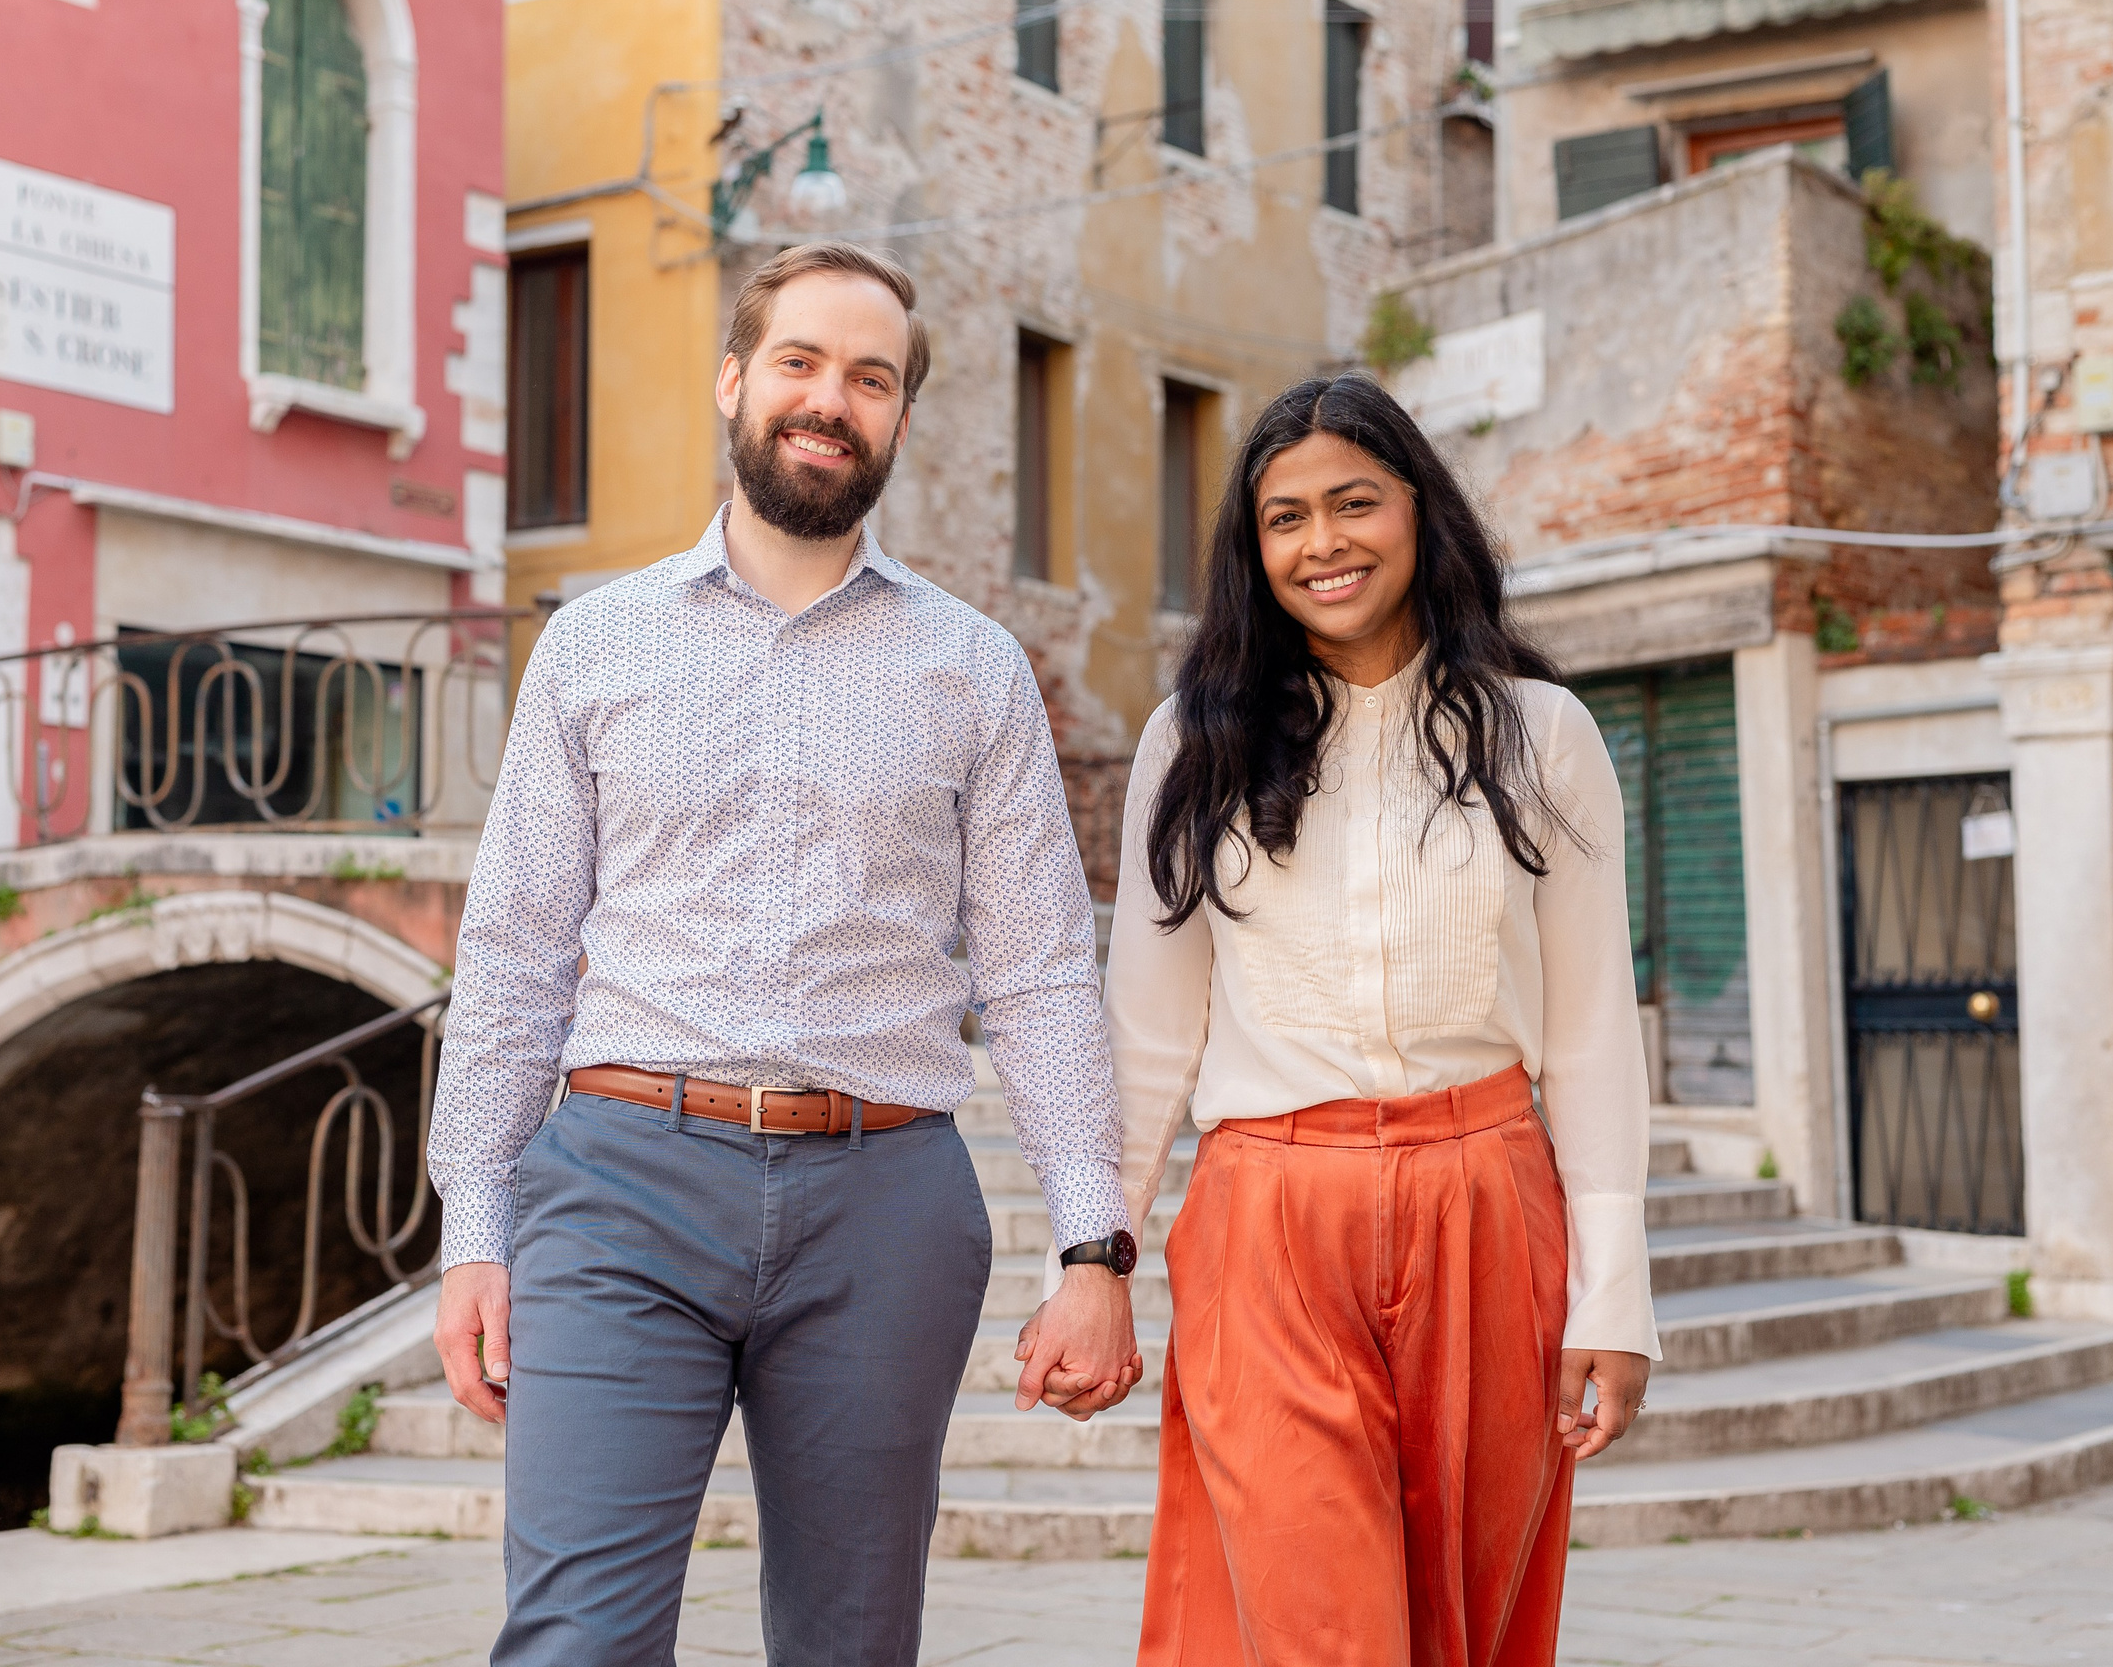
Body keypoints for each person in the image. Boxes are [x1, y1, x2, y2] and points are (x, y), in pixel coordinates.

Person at [427, 242, 1144, 1667]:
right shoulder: (593, 647)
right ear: (735, 382)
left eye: (871, 379)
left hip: (886, 1208)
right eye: (803, 363)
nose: (832, 400)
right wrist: (474, 1227)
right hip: (622, 1186)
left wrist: (1094, 1246)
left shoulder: (975, 667)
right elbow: (512, 955)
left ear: (896, 419)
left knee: (852, 1646)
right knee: (575, 1643)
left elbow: (1045, 970)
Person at [1108, 372, 1661, 1665]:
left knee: (1465, 1628)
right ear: (1254, 552)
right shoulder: (1194, 744)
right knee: (1318, 1628)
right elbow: (1144, 1040)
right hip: (1267, 1223)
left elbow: (1587, 1036)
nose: (1323, 542)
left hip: (1488, 1206)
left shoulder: (1542, 737)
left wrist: (1615, 1296)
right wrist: (1090, 1265)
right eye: (1285, 518)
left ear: (1422, 512)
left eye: (1354, 502)